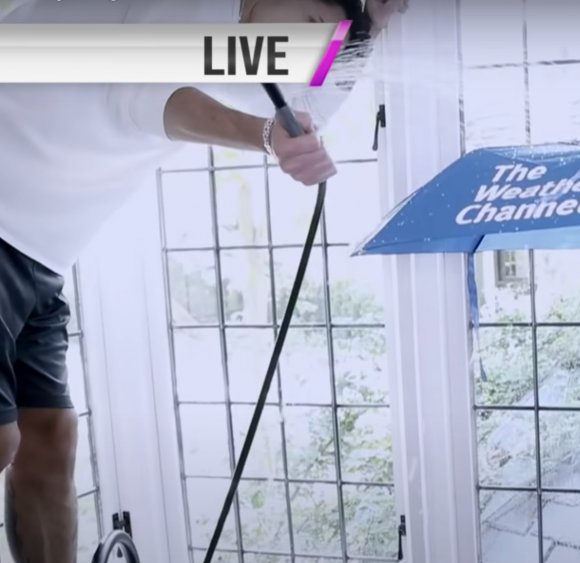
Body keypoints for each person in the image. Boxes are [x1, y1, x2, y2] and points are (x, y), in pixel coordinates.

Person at [0, 0, 406, 560]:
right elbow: (142, 95)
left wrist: (374, 31)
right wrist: (266, 136)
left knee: (48, 436)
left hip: (39, 254)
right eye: (313, 22)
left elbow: (309, 108)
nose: (312, 44)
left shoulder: (253, 55)